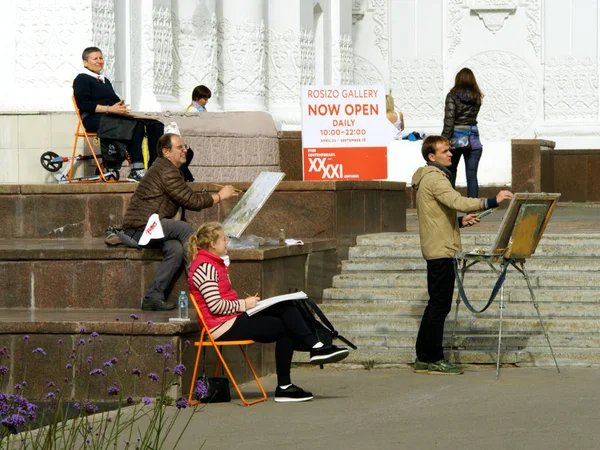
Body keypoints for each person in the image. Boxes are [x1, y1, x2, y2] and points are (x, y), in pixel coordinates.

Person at [187, 222, 350, 402]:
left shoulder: (214, 264)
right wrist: (244, 304)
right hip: (221, 327)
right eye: (224, 239)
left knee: (286, 308)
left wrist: (246, 305)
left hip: (231, 320)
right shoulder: (205, 267)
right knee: (285, 324)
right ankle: (298, 370)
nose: (227, 242)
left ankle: (311, 353)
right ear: (212, 244)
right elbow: (215, 306)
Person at [411, 136, 512, 375]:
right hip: (441, 250)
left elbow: (437, 215)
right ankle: (434, 358)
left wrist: (459, 222)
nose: (450, 154)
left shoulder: (429, 177)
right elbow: (456, 201)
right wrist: (490, 200)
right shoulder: (435, 178)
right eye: (444, 151)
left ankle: (423, 357)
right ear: (431, 157)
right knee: (439, 307)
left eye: (449, 150)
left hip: (438, 246)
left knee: (435, 305)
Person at [120, 133, 238, 311]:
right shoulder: (166, 171)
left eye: (185, 146)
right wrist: (220, 196)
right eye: (180, 148)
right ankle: (201, 282)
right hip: (140, 228)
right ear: (166, 152)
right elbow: (191, 200)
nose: (185, 150)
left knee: (175, 248)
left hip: (148, 227)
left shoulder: (167, 168)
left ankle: (153, 295)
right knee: (184, 230)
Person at [73, 46, 164, 181]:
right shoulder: (82, 79)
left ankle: (155, 167)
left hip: (112, 116)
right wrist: (110, 109)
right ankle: (137, 168)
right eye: (95, 58)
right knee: (136, 125)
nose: (99, 61)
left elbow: (114, 101)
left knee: (155, 124)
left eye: (101, 58)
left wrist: (120, 107)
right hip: (93, 119)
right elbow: (84, 105)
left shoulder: (105, 81)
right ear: (85, 62)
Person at [441, 68, 484, 197]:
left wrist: (443, 141)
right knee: (472, 176)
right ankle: (472, 213)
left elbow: (449, 121)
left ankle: (451, 210)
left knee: (451, 173)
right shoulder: (477, 96)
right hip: (474, 139)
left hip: (456, 139)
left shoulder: (452, 95)